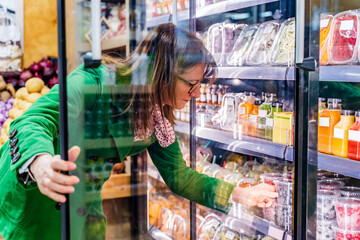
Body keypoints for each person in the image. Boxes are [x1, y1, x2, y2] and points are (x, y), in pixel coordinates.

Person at [0, 23, 277, 240]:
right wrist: (40, 161)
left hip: (84, 199)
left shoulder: (156, 113)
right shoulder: (95, 82)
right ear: (162, 72)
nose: (196, 94)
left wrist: (239, 193)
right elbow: (32, 120)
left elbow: (180, 176)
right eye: (191, 84)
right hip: (39, 191)